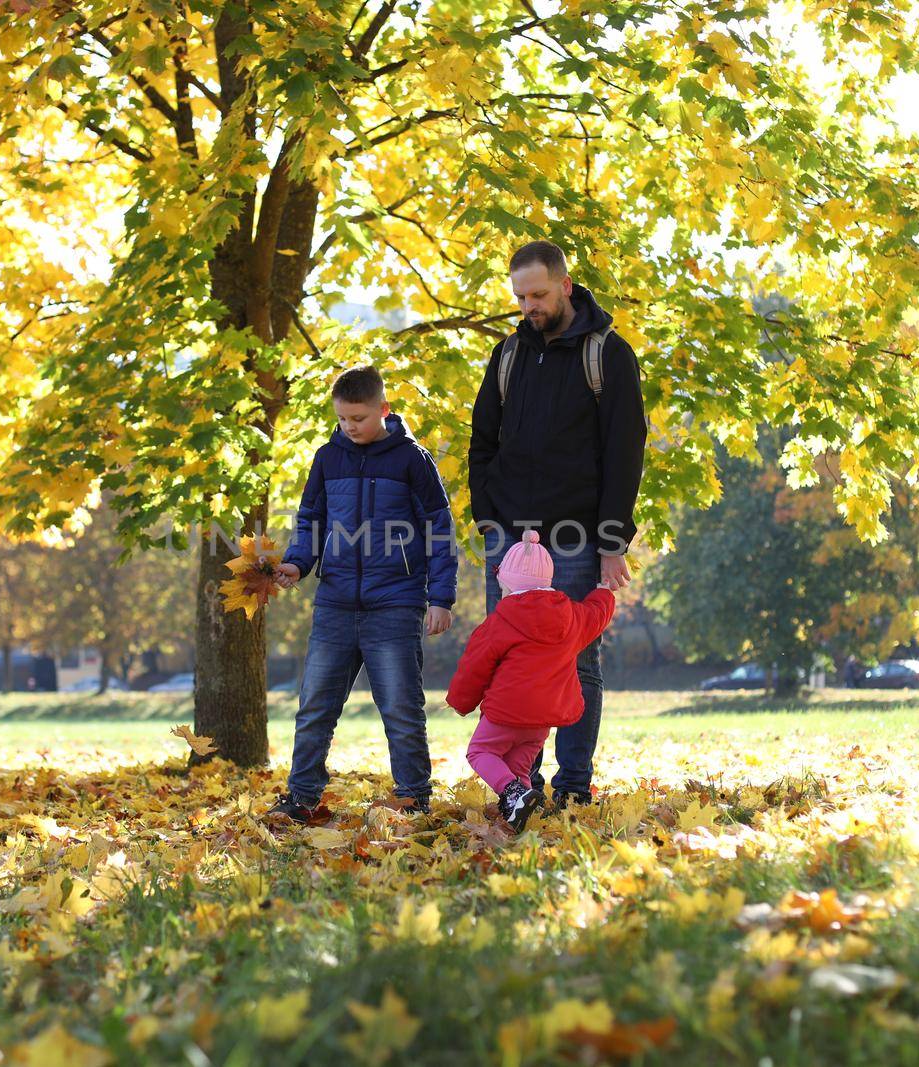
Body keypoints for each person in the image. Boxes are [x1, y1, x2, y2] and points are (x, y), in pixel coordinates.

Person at [468, 239, 647, 808]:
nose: (529, 305)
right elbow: (482, 441)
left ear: (566, 286)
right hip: (510, 541)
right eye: (520, 296)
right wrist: (488, 518)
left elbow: (626, 450)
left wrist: (612, 540)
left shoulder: (608, 355)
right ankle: (521, 786)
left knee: (574, 662)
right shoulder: (508, 356)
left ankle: (572, 787)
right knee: (511, 663)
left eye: (539, 294)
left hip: (577, 537)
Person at [268, 365, 458, 821]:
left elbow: (439, 528)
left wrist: (441, 598)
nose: (351, 427)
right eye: (343, 419)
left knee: (400, 709)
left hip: (395, 604)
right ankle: (302, 798)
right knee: (314, 708)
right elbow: (310, 519)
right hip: (335, 603)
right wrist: (297, 563)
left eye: (359, 418)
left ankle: (413, 798)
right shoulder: (327, 458)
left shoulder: (413, 459)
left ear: (383, 410)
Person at [446, 532, 616, 832]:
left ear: (509, 584)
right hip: (543, 719)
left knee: (481, 753)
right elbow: (596, 614)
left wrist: (461, 702)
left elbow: (475, 667)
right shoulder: (572, 616)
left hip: (507, 712)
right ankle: (521, 817)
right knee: (518, 767)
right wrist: (604, 592)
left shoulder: (499, 622)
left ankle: (512, 793)